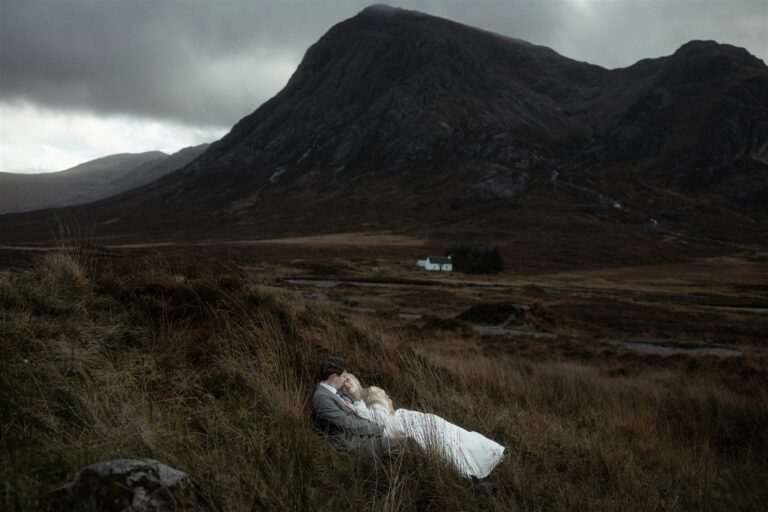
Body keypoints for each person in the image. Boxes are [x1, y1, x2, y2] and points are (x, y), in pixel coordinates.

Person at [341, 373, 505, 479]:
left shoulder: (371, 392)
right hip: (389, 429)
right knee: (427, 442)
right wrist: (355, 408)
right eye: (342, 386)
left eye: (347, 380)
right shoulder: (353, 406)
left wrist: (359, 409)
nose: (346, 385)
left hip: (401, 420)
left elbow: (382, 418)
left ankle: (488, 454)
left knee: (444, 432)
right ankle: (465, 473)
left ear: (355, 379)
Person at [311, 357, 407, 457]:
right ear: (334, 377)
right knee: (405, 442)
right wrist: (382, 430)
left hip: (364, 433)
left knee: (407, 434)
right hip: (355, 443)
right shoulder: (322, 398)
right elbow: (347, 424)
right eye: (343, 376)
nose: (344, 380)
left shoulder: (335, 392)